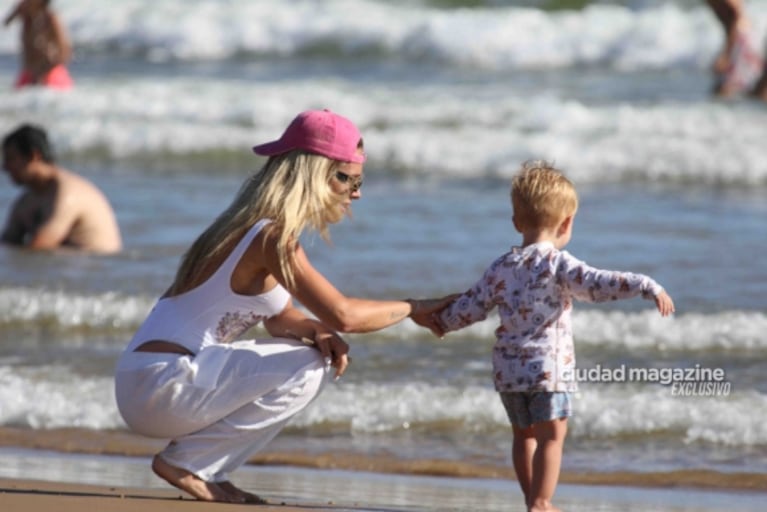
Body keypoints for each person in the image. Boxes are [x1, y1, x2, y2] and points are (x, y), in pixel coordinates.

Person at [113, 109, 454, 504]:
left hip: (149, 382)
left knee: (311, 351)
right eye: (351, 180)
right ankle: (189, 464)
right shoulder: (270, 236)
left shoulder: (251, 226)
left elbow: (278, 318)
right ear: (314, 173)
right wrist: (413, 308)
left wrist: (314, 329)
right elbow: (344, 315)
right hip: (161, 383)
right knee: (311, 365)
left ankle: (204, 468)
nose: (357, 193)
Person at [434, 161, 675, 512]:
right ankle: (542, 502)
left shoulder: (501, 266)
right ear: (567, 223)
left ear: (517, 222)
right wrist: (646, 285)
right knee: (552, 438)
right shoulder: (559, 264)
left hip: (508, 373)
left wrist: (441, 322)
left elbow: (473, 305)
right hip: (548, 373)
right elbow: (599, 283)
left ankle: (532, 498)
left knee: (523, 437)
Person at [1, 124, 122, 253]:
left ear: (34, 156)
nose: (4, 167)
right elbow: (6, 243)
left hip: (96, 269)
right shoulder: (26, 201)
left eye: (11, 159)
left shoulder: (67, 194)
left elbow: (38, 247)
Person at [3, 0, 73, 89]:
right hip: (31, 67)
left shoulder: (49, 17)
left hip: (49, 66)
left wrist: (59, 58)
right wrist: (19, 8)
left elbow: (62, 43)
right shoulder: (27, 17)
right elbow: (6, 22)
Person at [705, 0, 763, 97]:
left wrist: (726, 55)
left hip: (743, 39)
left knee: (727, 90)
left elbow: (735, 18)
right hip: (743, 37)